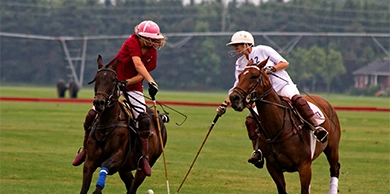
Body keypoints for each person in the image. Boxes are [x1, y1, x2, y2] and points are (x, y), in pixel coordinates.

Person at [216, 30, 328, 167]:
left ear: (246, 44)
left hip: (282, 86)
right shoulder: (240, 63)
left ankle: (316, 127)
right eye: (235, 46)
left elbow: (284, 63)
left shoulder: (263, 50)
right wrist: (225, 103)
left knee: (296, 100)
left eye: (237, 45)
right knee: (251, 120)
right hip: (263, 95)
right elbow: (238, 86)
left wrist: (271, 69)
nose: (235, 48)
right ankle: (258, 151)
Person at [72, 20, 168, 177]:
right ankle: (85, 150)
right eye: (147, 38)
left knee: (143, 119)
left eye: (153, 39)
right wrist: (151, 81)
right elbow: (138, 64)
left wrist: (129, 82)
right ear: (140, 36)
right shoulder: (132, 42)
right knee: (93, 114)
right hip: (113, 82)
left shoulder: (152, 54)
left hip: (132, 86)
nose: (150, 41)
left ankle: (143, 157)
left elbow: (139, 75)